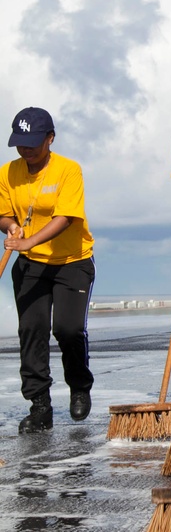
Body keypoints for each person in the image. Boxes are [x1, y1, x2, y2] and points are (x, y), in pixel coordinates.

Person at [0, 108, 95, 433]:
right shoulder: (8, 172)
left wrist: (30, 242)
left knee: (67, 329)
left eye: (33, 143)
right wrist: (12, 227)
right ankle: (39, 404)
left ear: (50, 138)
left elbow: (65, 217)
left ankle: (79, 385)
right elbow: (3, 214)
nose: (26, 150)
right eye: (20, 144)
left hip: (72, 262)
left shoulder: (69, 170)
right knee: (32, 330)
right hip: (30, 267)